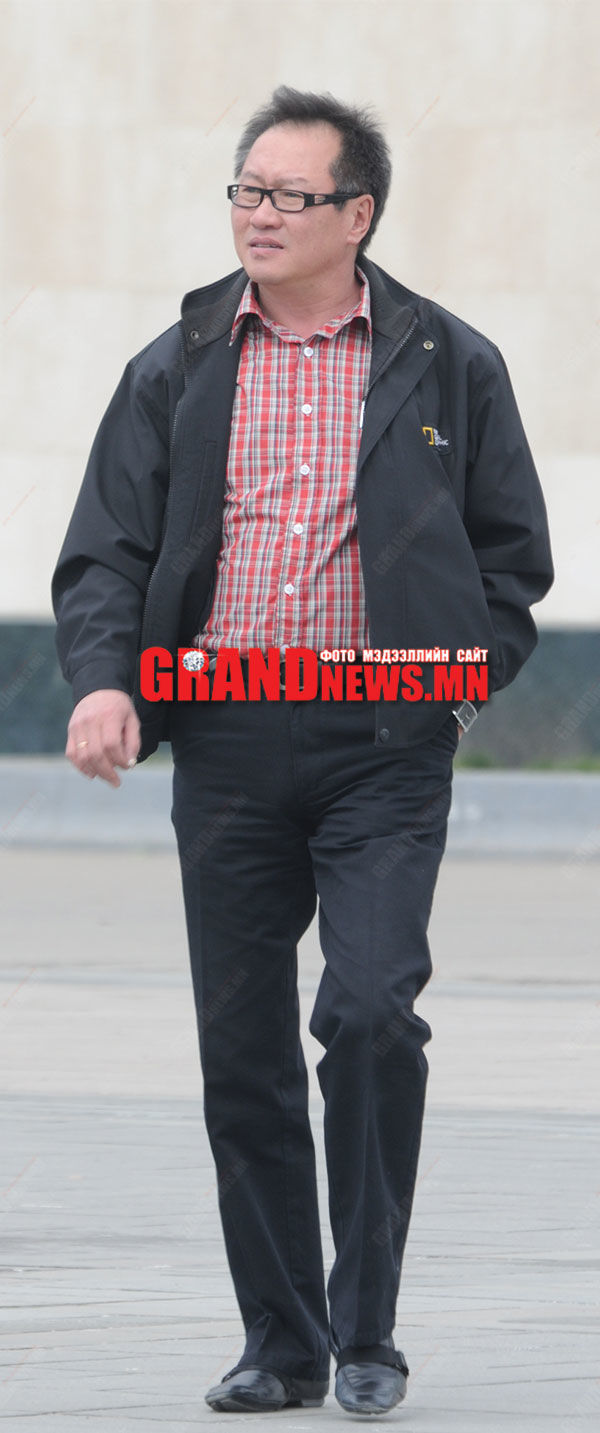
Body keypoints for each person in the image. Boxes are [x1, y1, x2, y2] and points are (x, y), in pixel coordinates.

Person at [52, 86, 554, 1417]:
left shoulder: (449, 363)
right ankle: (281, 1343)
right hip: (224, 734)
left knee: (372, 1012)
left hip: (385, 742)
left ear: (358, 213)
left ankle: (367, 1329)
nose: (259, 215)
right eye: (246, 190)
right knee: (244, 1045)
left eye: (289, 195)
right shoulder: (178, 364)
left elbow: (513, 563)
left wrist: (451, 695)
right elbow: (106, 550)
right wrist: (107, 683)